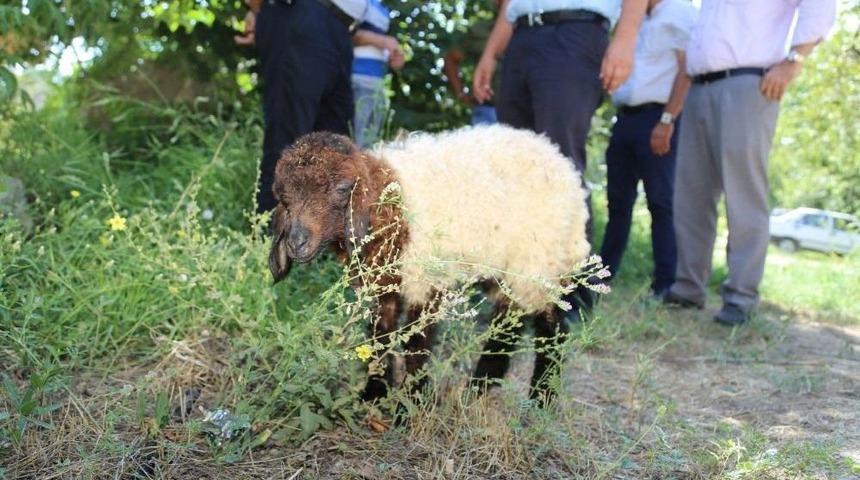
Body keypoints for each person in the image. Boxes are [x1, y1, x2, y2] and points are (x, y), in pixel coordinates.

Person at [663, 0, 836, 326]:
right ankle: (687, 289)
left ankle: (740, 297)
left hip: (748, 83)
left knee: (744, 194)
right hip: (699, 86)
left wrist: (794, 60)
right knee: (691, 195)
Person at [472, 0, 648, 316]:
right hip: (521, 36)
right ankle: (514, 294)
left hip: (575, 33)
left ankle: (573, 292)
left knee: (561, 166)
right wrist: (490, 53)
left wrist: (626, 38)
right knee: (514, 170)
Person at [599, 0, 697, 298]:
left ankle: (665, 283)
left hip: (658, 118)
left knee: (660, 202)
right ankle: (602, 276)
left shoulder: (680, 11)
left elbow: (686, 69)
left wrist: (668, 119)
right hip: (625, 118)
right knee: (618, 203)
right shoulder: (633, 16)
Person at [252, 0, 376, 214]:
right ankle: (269, 236)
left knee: (333, 148)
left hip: (340, 30)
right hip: (303, 14)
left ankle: (316, 237)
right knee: (288, 140)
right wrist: (258, 10)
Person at [350, 0, 405, 148]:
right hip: (355, 80)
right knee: (354, 142)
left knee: (369, 144)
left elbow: (376, 46)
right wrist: (383, 41)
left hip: (377, 85)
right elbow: (346, 32)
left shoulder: (383, 8)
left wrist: (392, 57)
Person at [442, 1, 502, 126]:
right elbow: (451, 59)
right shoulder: (479, 31)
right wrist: (460, 93)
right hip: (488, 109)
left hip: (526, 109)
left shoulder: (535, 30)